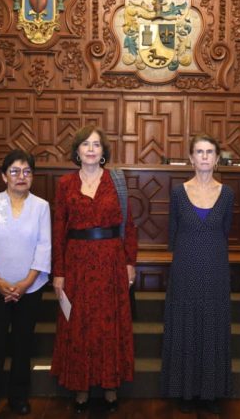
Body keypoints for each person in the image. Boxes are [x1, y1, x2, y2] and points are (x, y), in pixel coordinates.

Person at [50, 125, 138, 413]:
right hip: (76, 263)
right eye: (85, 144)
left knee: (109, 325)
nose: (91, 149)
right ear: (77, 151)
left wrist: (130, 262)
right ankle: (81, 387)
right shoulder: (65, 184)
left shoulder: (117, 181)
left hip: (111, 261)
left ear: (103, 151)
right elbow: (58, 230)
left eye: (96, 144)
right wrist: (59, 272)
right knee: (79, 325)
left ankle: (110, 386)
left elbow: (128, 225)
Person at [0, 150, 51, 419]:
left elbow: (44, 248)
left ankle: (19, 396)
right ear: (4, 176)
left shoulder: (41, 207)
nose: (21, 176)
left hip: (30, 288)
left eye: (27, 171)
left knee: (22, 344)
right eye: (15, 171)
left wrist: (26, 284)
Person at [160, 134, 234, 414]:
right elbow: (173, 233)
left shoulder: (227, 194)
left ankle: (210, 392)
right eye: (199, 152)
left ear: (217, 159)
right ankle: (184, 390)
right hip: (185, 268)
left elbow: (225, 230)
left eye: (209, 152)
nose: (204, 157)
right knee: (185, 325)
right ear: (191, 158)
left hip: (215, 268)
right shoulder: (178, 192)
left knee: (213, 325)